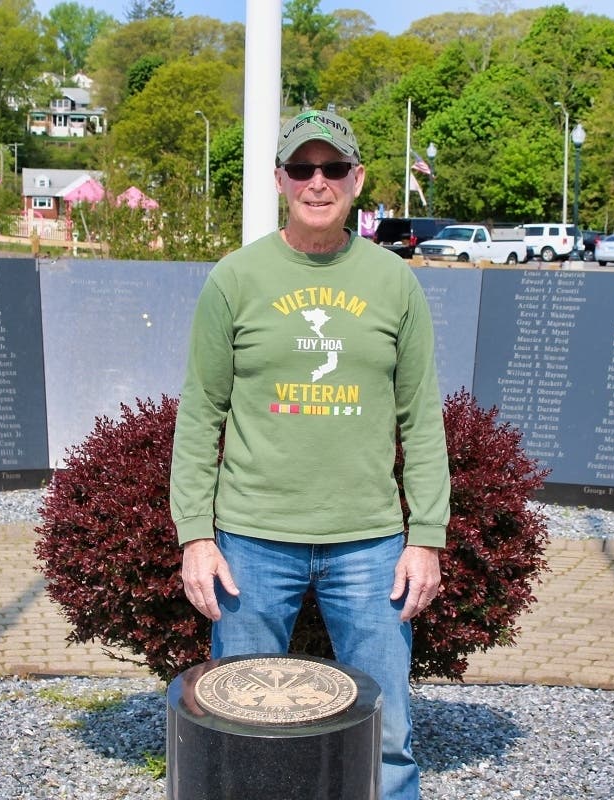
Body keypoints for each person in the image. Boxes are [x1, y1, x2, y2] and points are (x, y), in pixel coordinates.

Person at [169, 108, 451, 800]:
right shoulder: (234, 280)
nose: (316, 182)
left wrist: (428, 539)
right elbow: (201, 413)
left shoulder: (395, 283)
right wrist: (195, 537)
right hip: (251, 543)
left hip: (371, 546)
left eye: (331, 169)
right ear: (278, 180)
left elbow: (421, 419)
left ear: (356, 180)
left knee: (385, 736)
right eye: (301, 168)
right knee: (239, 730)